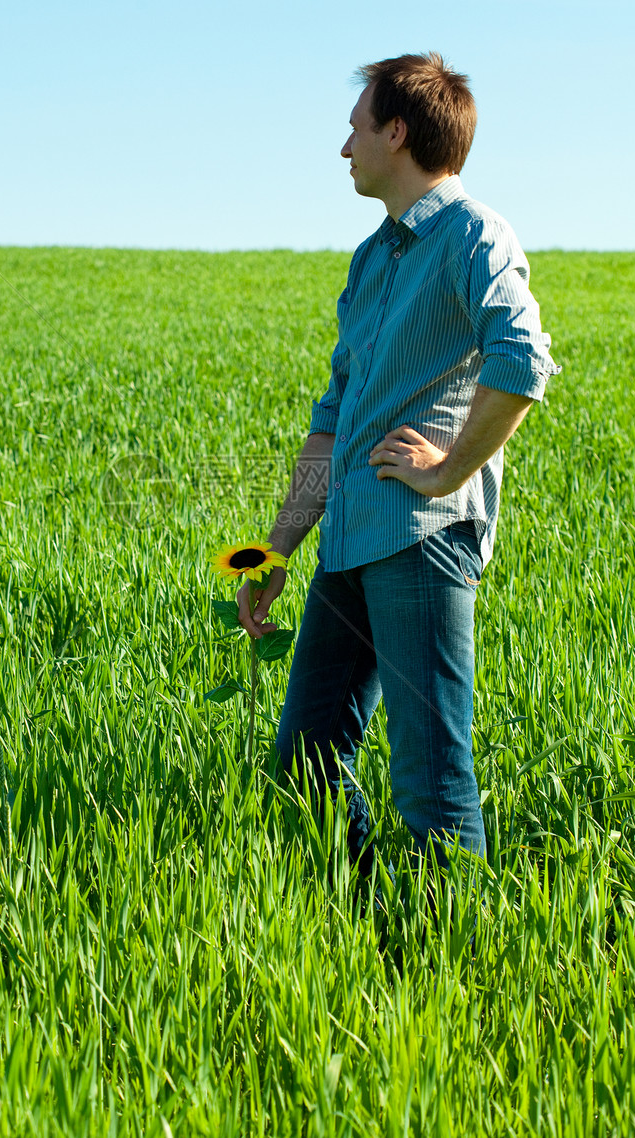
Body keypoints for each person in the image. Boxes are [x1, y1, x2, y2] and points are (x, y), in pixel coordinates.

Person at [237, 52, 561, 882]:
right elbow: (333, 422)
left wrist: (447, 470)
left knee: (431, 784)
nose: (344, 149)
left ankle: (445, 970)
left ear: (396, 130)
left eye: (355, 128)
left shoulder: (473, 233)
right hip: (348, 545)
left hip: (421, 541)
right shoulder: (371, 259)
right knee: (306, 763)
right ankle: (366, 934)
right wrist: (274, 553)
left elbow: (522, 362)